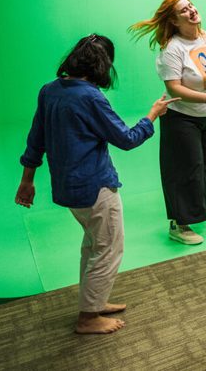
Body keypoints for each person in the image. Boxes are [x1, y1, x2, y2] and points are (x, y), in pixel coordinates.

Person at [16, 34, 176, 334]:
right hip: (95, 187)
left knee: (93, 246)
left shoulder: (50, 90)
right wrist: (152, 115)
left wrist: (27, 181)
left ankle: (94, 302)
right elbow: (126, 139)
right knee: (107, 248)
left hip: (68, 188)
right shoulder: (90, 96)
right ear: (103, 64)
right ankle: (88, 318)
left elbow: (35, 139)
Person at [130, 0, 206, 245]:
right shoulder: (173, 48)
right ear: (175, 21)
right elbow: (174, 88)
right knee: (186, 169)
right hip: (181, 117)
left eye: (191, 6)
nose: (191, 11)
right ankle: (179, 224)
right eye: (183, 10)